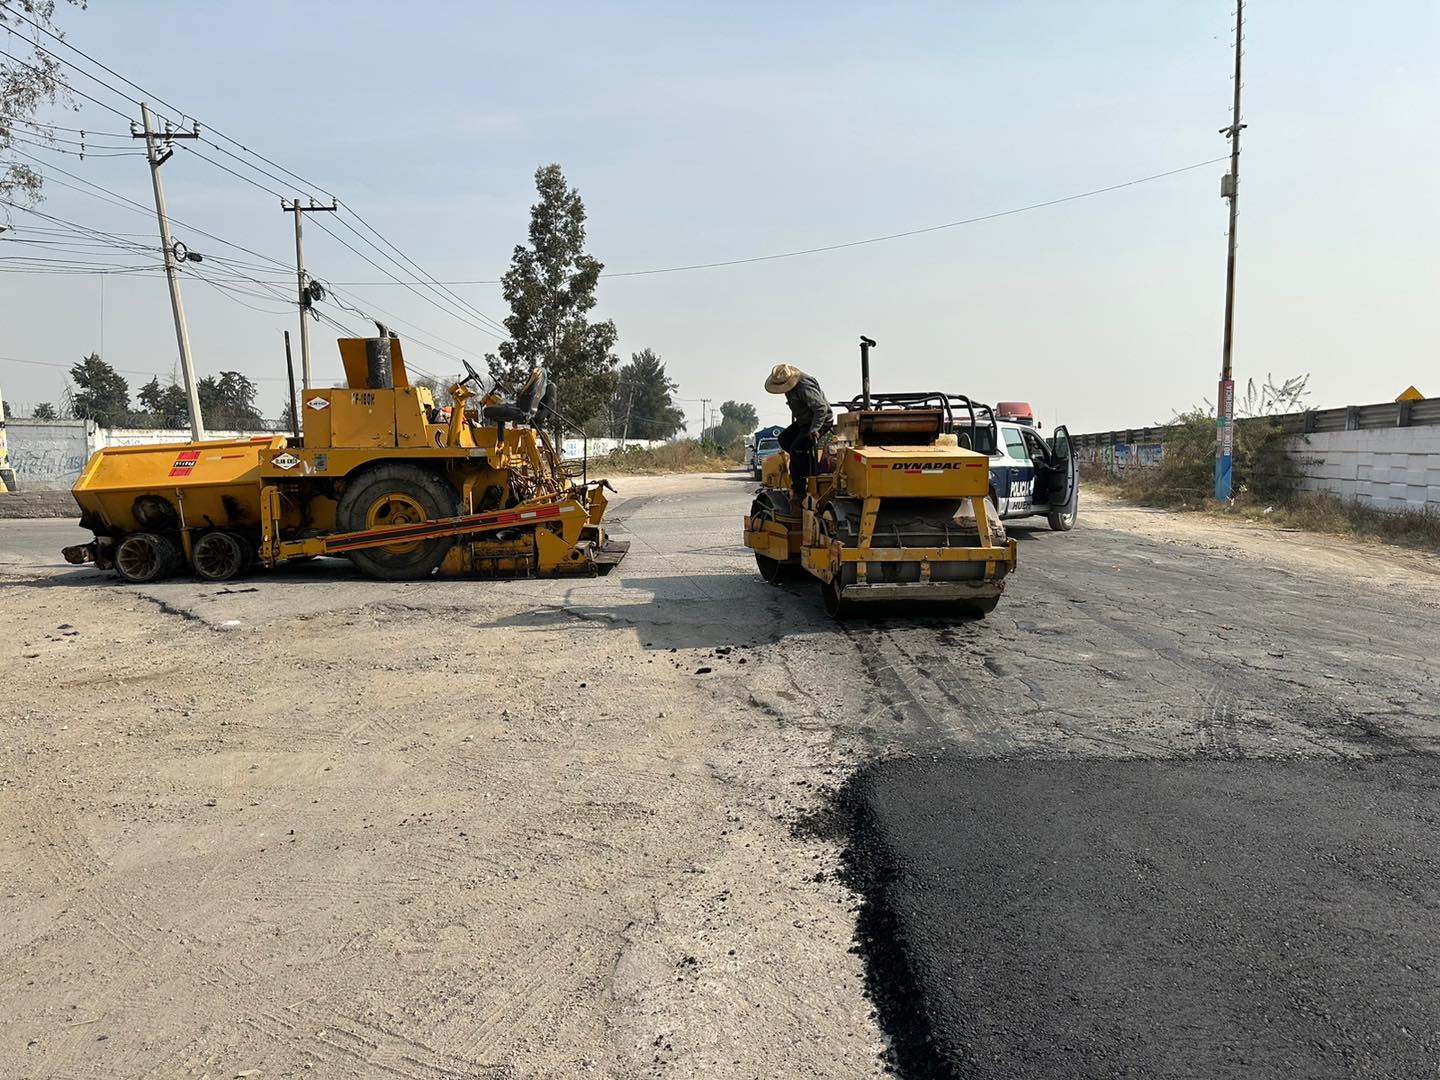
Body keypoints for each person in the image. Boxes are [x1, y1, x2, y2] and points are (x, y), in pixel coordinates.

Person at [764, 363, 833, 498]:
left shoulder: (804, 387)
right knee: (784, 439)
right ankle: (807, 465)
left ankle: (800, 490)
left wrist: (814, 429)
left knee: (796, 449)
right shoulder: (791, 387)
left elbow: (821, 409)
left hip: (819, 421)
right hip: (804, 421)